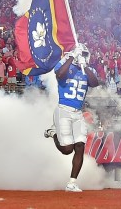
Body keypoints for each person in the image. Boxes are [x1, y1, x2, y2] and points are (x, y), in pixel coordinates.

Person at [44, 43, 99, 192]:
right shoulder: (65, 65)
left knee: (80, 146)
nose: (85, 57)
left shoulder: (88, 70)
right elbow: (59, 74)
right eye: (82, 54)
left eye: (85, 55)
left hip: (78, 112)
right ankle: (53, 132)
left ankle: (72, 182)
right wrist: (72, 56)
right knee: (67, 149)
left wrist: (84, 66)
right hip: (63, 110)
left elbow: (95, 83)